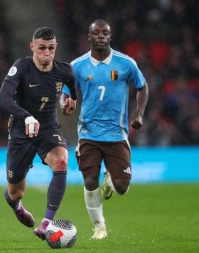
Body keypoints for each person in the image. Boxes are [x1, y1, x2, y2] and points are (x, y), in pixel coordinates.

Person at [61, 19, 149, 239]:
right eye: (96, 33)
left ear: (110, 36)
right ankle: (99, 227)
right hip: (88, 133)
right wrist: (66, 103)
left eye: (105, 33)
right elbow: (66, 92)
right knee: (90, 180)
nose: (101, 36)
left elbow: (142, 86)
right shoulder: (77, 66)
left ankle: (111, 177)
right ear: (89, 37)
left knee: (122, 187)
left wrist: (139, 113)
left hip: (117, 134)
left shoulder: (126, 63)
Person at [0, 27, 77, 240]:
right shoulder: (22, 67)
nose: (47, 53)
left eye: (51, 48)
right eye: (42, 48)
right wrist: (26, 116)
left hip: (48, 129)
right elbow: (2, 99)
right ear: (32, 47)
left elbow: (72, 87)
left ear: (56, 47)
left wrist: (69, 100)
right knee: (15, 192)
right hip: (21, 131)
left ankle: (47, 223)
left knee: (61, 161)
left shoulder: (64, 70)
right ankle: (16, 206)